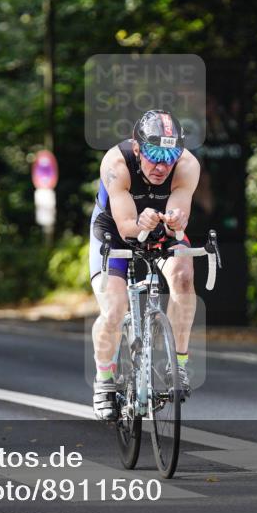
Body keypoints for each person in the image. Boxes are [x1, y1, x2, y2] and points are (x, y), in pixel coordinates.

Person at [88, 109, 201, 421]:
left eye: (170, 156)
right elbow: (126, 227)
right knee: (113, 309)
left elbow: (179, 217)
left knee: (182, 275)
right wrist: (141, 223)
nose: (162, 166)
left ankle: (177, 366)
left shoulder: (187, 165)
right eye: (153, 155)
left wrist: (174, 219)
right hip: (114, 230)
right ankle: (105, 380)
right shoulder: (116, 162)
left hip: (160, 227)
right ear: (137, 148)